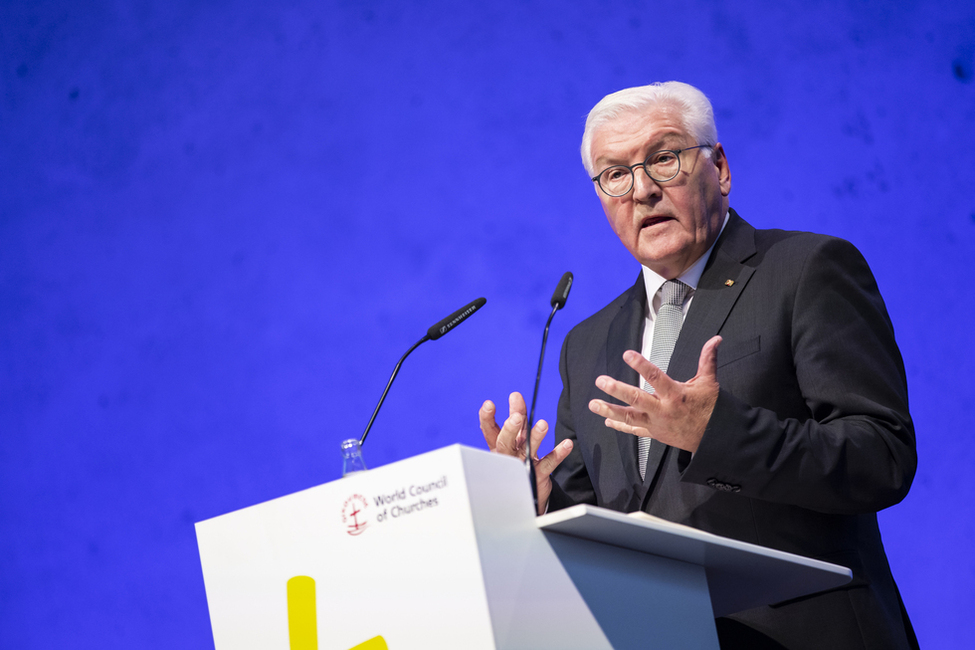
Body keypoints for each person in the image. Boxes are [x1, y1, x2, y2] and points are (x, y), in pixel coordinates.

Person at [479, 81, 918, 649]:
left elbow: (880, 456)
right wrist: (536, 502)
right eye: (615, 173)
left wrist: (718, 433)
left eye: (663, 159)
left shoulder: (807, 270)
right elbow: (604, 524)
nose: (641, 190)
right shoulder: (586, 343)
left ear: (721, 168)